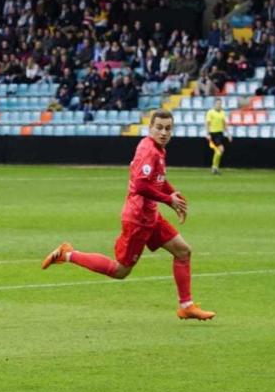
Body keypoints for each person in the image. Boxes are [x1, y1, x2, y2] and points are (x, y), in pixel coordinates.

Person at [41, 110, 216, 321]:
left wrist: (172, 195)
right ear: (150, 128)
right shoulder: (149, 151)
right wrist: (169, 200)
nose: (163, 132)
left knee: (183, 251)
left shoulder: (157, 149)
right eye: (159, 128)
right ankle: (67, 255)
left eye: (167, 128)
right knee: (121, 270)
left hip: (150, 215)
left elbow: (156, 181)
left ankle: (186, 306)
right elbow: (142, 185)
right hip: (138, 219)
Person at [205, 98, 231, 175]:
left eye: (220, 103)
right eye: (217, 103)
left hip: (220, 134)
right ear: (214, 104)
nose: (219, 105)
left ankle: (215, 167)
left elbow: (224, 124)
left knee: (219, 151)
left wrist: (228, 134)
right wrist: (207, 134)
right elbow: (207, 123)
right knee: (220, 150)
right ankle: (214, 167)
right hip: (213, 134)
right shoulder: (210, 112)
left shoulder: (222, 113)